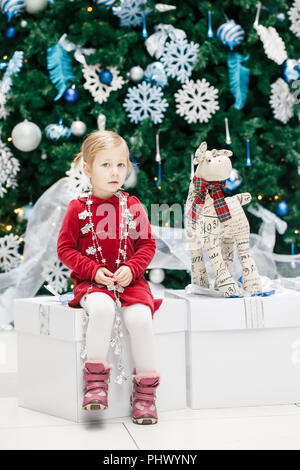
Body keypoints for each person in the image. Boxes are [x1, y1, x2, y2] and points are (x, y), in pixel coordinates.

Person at [57, 130, 163, 425]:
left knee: (141, 319)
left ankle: (145, 393)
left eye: (120, 164)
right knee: (101, 310)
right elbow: (65, 248)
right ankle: (95, 384)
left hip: (131, 283)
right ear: (88, 168)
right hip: (93, 283)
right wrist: (92, 271)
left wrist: (132, 268)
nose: (115, 171)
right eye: (105, 165)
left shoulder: (133, 206)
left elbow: (146, 245)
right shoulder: (77, 209)